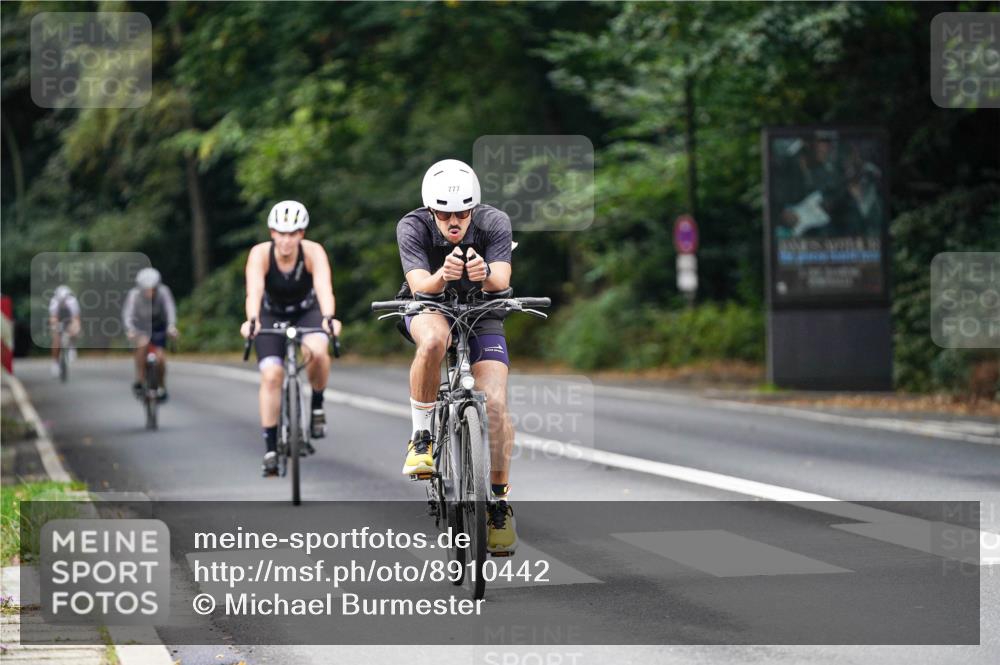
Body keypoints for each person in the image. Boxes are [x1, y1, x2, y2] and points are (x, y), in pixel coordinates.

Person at [394, 158, 518, 555]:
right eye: (445, 213)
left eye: (462, 212)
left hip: (483, 313)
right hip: (430, 306)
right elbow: (419, 287)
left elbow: (503, 280)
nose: (454, 221)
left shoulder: (494, 222)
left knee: (495, 403)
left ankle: (497, 503)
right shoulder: (411, 226)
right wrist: (442, 276)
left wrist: (484, 274)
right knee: (433, 341)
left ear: (473, 208)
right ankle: (422, 438)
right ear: (431, 211)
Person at [239, 200, 340, 477]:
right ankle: (271, 448)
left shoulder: (313, 252)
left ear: (301, 234)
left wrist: (329, 317)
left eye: (292, 233)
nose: (286, 240)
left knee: (319, 351)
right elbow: (254, 292)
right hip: (270, 315)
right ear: (272, 233)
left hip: (307, 312)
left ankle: (317, 404)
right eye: (281, 233)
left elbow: (323, 287)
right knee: (272, 374)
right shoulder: (260, 254)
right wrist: (252, 321)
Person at [122, 268, 178, 400]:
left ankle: (162, 386)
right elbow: (128, 314)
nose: (150, 292)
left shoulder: (164, 292)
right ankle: (140, 379)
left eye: (153, 289)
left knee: (161, 359)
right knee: (142, 344)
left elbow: (170, 310)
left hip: (158, 327)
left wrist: (171, 327)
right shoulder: (134, 295)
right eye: (146, 289)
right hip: (140, 327)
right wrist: (130, 329)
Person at [48, 285, 81, 377]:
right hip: (58, 319)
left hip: (69, 319)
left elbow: (76, 318)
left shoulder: (72, 301)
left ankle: (72, 347)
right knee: (56, 340)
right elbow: (53, 318)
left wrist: (74, 328)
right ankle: (55, 363)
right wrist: (55, 328)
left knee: (75, 329)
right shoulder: (54, 302)